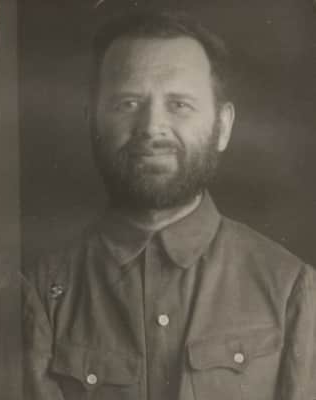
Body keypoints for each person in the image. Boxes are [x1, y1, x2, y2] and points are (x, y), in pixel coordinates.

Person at [22, 11, 316, 400]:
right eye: (128, 103)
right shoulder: (39, 292)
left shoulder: (291, 288)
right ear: (93, 122)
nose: (151, 127)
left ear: (223, 127)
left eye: (179, 104)